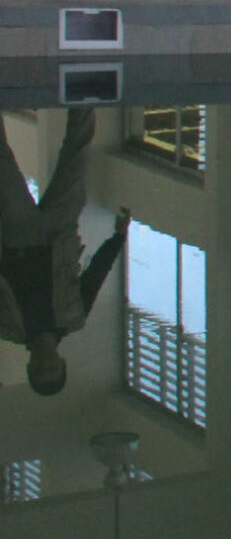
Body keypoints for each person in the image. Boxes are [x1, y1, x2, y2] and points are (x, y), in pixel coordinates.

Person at [0, 108, 129, 397]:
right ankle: (83, 97)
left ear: (30, 367)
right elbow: (95, 275)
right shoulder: (73, 318)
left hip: (18, 236)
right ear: (62, 362)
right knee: (76, 157)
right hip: (60, 235)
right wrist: (118, 237)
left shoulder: (7, 327)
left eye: (41, 370)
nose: (46, 364)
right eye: (53, 369)